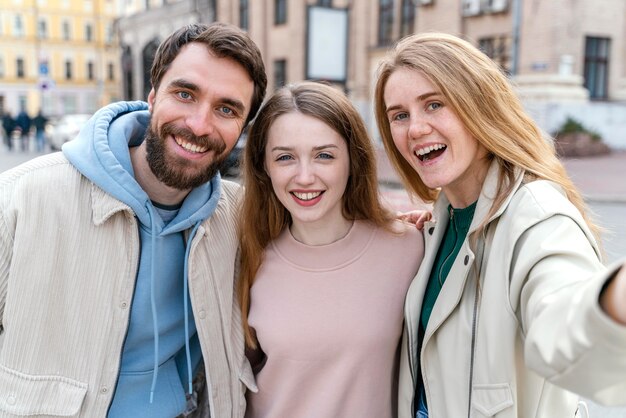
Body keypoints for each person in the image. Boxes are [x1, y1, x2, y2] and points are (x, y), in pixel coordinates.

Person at [0, 22, 266, 417]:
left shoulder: (239, 216)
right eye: (185, 94)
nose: (198, 124)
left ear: (241, 129)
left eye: (226, 109)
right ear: (153, 96)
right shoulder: (21, 198)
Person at [374, 32, 626, 418]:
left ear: (479, 107)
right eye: (400, 115)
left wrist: (613, 303)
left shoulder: (537, 216)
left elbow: (564, 322)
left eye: (435, 104)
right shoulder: (440, 221)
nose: (415, 129)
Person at [238, 81, 425, 418]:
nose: (305, 176)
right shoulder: (247, 258)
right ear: (263, 166)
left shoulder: (410, 248)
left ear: (352, 160)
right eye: (285, 158)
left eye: (324, 155)